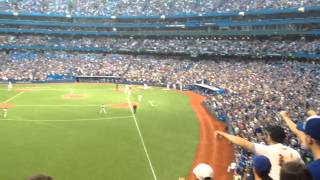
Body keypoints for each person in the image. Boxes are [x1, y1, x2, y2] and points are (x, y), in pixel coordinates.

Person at [216, 125, 302, 180]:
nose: (265, 136)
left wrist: (224, 134)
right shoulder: (294, 153)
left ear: (270, 137)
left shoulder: (267, 150)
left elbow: (244, 143)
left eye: (266, 135)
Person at [279, 110, 320, 180]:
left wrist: (289, 168)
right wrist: (285, 117)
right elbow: (297, 131)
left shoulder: (310, 172)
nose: (302, 136)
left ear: (309, 139)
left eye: (305, 134)